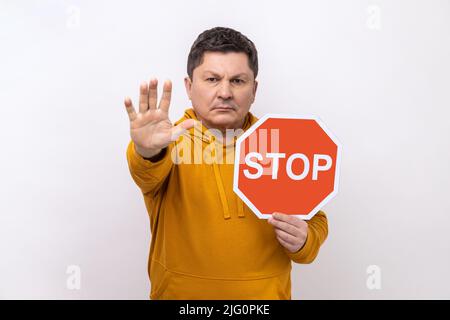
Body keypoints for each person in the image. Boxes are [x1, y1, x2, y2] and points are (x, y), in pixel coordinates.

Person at [124, 26, 328, 299]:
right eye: (211, 79)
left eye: (237, 81)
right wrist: (145, 149)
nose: (224, 92)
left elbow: (315, 220)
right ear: (189, 86)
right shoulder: (167, 144)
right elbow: (145, 172)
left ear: (253, 89)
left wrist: (305, 239)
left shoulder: (284, 146)